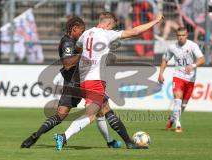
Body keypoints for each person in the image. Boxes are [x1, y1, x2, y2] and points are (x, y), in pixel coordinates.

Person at [54, 12, 163, 150]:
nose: (112, 29)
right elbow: (135, 31)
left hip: (83, 80)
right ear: (108, 24)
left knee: (104, 110)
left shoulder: (85, 34)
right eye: (112, 27)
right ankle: (63, 137)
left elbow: (77, 49)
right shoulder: (107, 34)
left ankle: (128, 143)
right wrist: (155, 21)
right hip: (95, 81)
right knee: (91, 115)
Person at [21, 16, 121, 149]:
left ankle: (111, 142)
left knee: (102, 110)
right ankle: (36, 136)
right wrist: (85, 54)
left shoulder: (77, 41)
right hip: (74, 83)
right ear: (74, 29)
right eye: (81, 31)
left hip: (81, 81)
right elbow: (67, 64)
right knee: (62, 114)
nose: (82, 34)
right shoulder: (67, 43)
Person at [158, 27, 205, 132]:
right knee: (177, 101)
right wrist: (160, 74)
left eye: (183, 35)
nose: (181, 38)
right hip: (178, 76)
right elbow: (165, 60)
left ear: (187, 35)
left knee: (183, 105)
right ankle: (178, 125)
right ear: (176, 36)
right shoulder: (172, 47)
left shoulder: (192, 46)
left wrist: (193, 65)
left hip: (190, 79)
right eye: (179, 35)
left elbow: (202, 59)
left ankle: (172, 119)